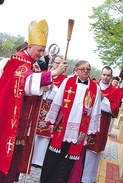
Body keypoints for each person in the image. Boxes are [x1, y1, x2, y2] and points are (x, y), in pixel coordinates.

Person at [0, 19, 67, 182]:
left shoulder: (34, 65)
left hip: (24, 121)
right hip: (11, 117)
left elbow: (34, 88)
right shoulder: (19, 60)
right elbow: (25, 84)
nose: (41, 53)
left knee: (16, 157)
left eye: (43, 50)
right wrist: (52, 74)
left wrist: (45, 85)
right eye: (39, 50)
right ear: (29, 47)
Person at [40, 60, 102, 183]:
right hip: (62, 126)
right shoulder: (68, 81)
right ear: (76, 70)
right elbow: (57, 101)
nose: (86, 71)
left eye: (88, 69)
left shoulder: (95, 88)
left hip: (79, 130)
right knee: (54, 156)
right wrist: (52, 121)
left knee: (69, 161)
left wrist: (91, 131)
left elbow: (95, 110)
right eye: (83, 68)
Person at [81, 66, 123, 183]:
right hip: (87, 122)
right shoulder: (92, 85)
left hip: (101, 125)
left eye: (108, 75)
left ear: (111, 76)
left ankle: (88, 179)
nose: (105, 77)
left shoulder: (115, 91)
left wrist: (103, 99)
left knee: (93, 152)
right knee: (82, 150)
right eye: (104, 74)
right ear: (101, 74)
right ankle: (76, 175)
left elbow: (114, 110)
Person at [32, 55, 67, 168]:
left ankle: (40, 160)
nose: (59, 65)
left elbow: (64, 96)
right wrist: (43, 87)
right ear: (52, 62)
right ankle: (31, 157)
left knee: (46, 134)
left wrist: (53, 89)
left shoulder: (64, 79)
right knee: (34, 132)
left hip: (51, 108)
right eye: (57, 63)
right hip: (40, 105)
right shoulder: (45, 73)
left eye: (62, 64)